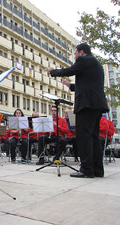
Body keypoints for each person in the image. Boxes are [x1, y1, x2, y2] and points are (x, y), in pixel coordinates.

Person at [45, 43, 109, 178]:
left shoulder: (85, 60)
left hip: (86, 105)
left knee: (84, 137)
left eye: (75, 53)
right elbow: (88, 84)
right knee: (93, 137)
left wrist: (52, 71)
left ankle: (86, 169)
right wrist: (71, 86)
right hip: (97, 104)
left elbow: (68, 70)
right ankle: (97, 170)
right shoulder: (95, 64)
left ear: (81, 52)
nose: (74, 56)